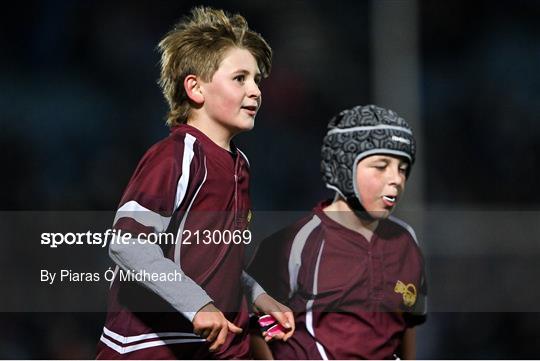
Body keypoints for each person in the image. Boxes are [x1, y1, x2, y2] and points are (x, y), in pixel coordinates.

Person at [96, 6, 293, 359]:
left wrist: (257, 295)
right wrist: (198, 305)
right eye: (240, 78)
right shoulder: (176, 156)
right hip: (151, 348)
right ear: (195, 88)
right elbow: (127, 244)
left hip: (209, 348)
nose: (255, 91)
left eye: (257, 80)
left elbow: (210, 263)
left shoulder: (239, 165)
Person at [248, 105, 427, 359]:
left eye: (402, 168)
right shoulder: (293, 244)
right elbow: (253, 328)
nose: (396, 179)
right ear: (344, 166)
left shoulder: (405, 241)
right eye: (381, 166)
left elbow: (407, 325)